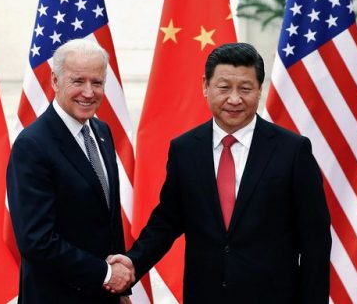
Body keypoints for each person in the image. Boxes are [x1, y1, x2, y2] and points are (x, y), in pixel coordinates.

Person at [111, 43, 331, 302]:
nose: (235, 99)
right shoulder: (184, 150)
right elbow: (167, 221)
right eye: (224, 87)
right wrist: (132, 263)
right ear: (206, 86)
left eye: (246, 88)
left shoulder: (293, 151)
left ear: (260, 89)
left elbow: (315, 241)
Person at [7, 39, 133, 303]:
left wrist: (121, 290)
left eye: (97, 83)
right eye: (78, 81)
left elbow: (108, 218)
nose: (89, 92)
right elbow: (36, 240)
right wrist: (106, 273)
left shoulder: (102, 132)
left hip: (104, 295)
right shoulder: (32, 145)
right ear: (55, 81)